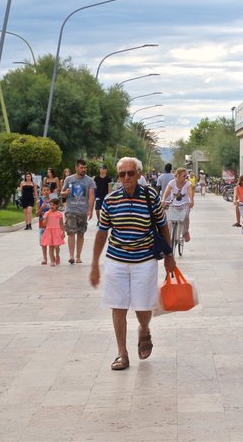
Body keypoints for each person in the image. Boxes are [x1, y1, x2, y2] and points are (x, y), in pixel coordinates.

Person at [90, 156, 175, 371]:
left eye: (130, 173)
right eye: (122, 174)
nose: (126, 177)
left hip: (144, 260)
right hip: (116, 260)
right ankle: (122, 353)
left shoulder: (150, 196)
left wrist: (169, 256)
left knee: (142, 306)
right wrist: (94, 264)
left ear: (138, 174)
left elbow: (163, 226)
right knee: (118, 306)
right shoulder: (110, 200)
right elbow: (102, 232)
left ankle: (144, 330)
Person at [60, 159, 95, 264]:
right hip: (70, 210)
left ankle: (78, 256)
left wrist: (90, 210)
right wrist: (65, 193)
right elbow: (61, 193)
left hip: (82, 211)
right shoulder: (69, 179)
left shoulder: (89, 181)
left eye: (85, 168)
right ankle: (71, 256)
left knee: (80, 234)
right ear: (76, 168)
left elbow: (91, 196)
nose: (83, 170)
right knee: (71, 233)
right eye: (81, 168)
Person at [162, 167, 194, 242]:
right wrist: (163, 199)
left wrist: (191, 200)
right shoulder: (172, 183)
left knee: (185, 217)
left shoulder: (187, 183)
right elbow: (166, 193)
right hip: (173, 205)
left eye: (186, 175)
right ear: (178, 175)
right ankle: (169, 236)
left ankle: (185, 232)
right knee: (170, 220)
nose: (185, 177)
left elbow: (190, 193)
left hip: (184, 204)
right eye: (184, 175)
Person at [41, 198, 65, 266]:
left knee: (56, 246)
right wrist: (47, 217)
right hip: (49, 231)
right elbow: (44, 224)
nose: (51, 206)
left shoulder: (59, 214)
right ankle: (52, 260)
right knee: (50, 246)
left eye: (53, 205)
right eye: (50, 204)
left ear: (57, 206)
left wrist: (63, 232)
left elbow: (61, 224)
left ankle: (57, 255)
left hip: (57, 231)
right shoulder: (46, 213)